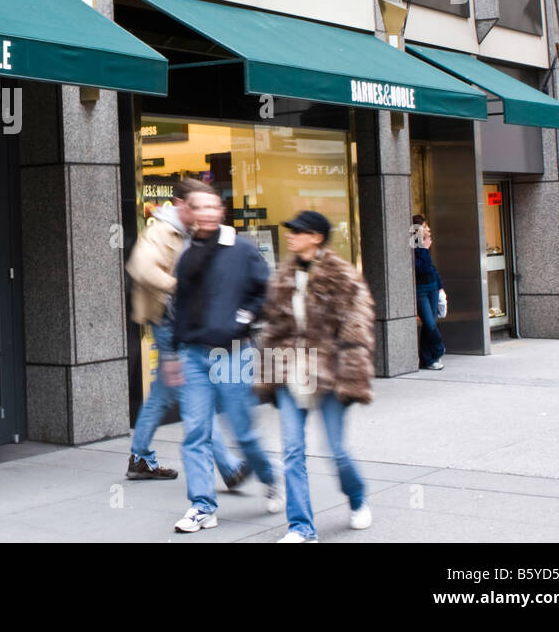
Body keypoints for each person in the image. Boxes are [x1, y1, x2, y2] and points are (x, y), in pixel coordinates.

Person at [255, 210, 375, 543]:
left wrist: (352, 377)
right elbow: (273, 331)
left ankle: (357, 498)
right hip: (291, 376)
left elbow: (357, 331)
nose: (290, 235)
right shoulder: (282, 277)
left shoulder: (343, 276)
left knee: (337, 451)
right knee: (293, 451)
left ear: (316, 237)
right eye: (290, 230)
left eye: (297, 231)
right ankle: (301, 527)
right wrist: (270, 372)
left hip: (331, 376)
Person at [168, 186, 281, 533]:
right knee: (196, 433)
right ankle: (202, 506)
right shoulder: (187, 255)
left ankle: (270, 478)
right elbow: (179, 308)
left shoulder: (242, 250)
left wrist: (244, 318)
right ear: (190, 211)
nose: (204, 213)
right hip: (193, 355)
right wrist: (173, 352)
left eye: (211, 207)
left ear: (221, 211)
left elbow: (264, 291)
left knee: (243, 433)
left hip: (231, 353)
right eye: (197, 207)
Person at [124, 177, 246, 487]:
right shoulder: (161, 231)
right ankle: (230, 468)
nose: (202, 211)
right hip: (169, 324)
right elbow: (141, 266)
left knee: (163, 396)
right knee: (197, 394)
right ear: (181, 204)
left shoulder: (184, 232)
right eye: (196, 205)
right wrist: (180, 288)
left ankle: (140, 458)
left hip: (178, 323)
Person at [412, 214, 446, 370]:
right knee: (430, 324)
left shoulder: (424, 244)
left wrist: (440, 287)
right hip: (420, 290)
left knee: (428, 325)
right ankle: (439, 348)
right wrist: (425, 249)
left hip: (431, 287)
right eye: (425, 226)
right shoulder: (416, 247)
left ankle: (427, 360)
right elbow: (421, 268)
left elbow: (431, 269)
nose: (429, 229)